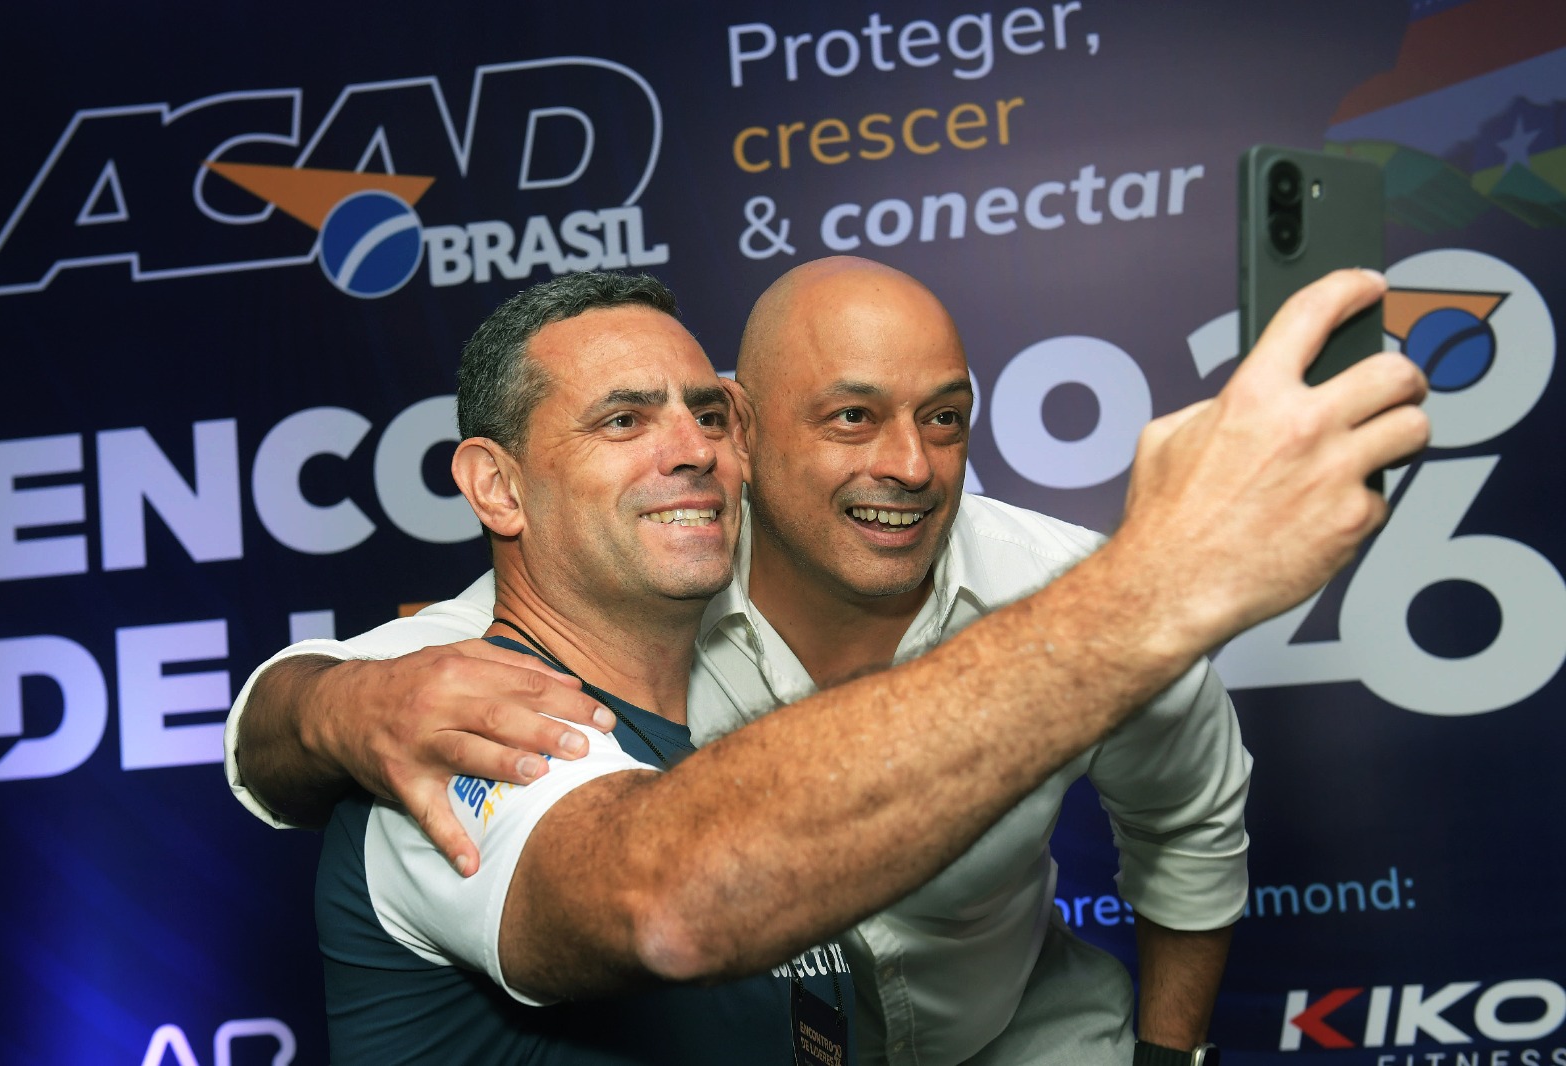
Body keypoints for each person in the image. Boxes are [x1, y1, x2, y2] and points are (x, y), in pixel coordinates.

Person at [229, 265, 1427, 1064]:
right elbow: (671, 895)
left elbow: (1189, 831)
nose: (688, 451)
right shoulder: (459, 715)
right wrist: (326, 703)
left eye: (703, 416)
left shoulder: (1036, 571)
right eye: (623, 421)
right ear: (495, 486)